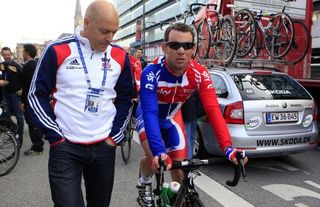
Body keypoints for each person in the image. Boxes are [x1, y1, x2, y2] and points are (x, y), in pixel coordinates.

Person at [27, 1, 134, 206]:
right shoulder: (58, 49)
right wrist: (55, 136)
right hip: (66, 147)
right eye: (104, 31)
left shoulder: (120, 55)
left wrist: (115, 137)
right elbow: (35, 95)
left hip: (104, 146)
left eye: (114, 32)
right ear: (86, 23)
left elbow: (126, 98)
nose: (110, 38)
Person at [136, 22, 247, 206]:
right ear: (164, 47)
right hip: (149, 117)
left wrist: (228, 147)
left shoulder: (200, 74)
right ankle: (144, 183)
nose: (181, 51)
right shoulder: (151, 72)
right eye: (175, 45)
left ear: (193, 49)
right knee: (153, 157)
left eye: (187, 46)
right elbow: (150, 111)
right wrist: (158, 152)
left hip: (172, 119)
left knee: (180, 175)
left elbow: (213, 110)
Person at [20, 44, 44, 156]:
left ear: (27, 53)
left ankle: (37, 147)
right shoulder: (37, 64)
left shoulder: (28, 66)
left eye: (23, 51)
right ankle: (38, 145)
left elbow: (26, 86)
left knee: (32, 123)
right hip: (38, 98)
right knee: (35, 122)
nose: (22, 54)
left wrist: (23, 101)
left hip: (30, 99)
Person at [0, 47, 24, 146]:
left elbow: (24, 78)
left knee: (19, 116)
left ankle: (19, 135)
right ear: (2, 55)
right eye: (4, 55)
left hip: (15, 94)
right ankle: (13, 133)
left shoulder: (16, 66)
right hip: (5, 94)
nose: (6, 56)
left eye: (8, 54)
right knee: (6, 116)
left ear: (11, 54)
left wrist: (22, 90)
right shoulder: (1, 65)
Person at [181, 90, 204, 159]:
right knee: (191, 137)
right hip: (195, 112)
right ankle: (189, 159)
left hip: (187, 112)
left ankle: (187, 160)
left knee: (187, 138)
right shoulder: (197, 82)